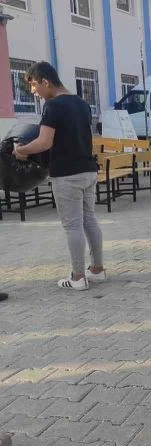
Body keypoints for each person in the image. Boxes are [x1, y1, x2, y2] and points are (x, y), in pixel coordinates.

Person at [13, 62, 106, 291]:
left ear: (45, 81)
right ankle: (97, 270)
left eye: (34, 86)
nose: (34, 92)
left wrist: (21, 150)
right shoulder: (82, 104)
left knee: (73, 225)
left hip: (67, 175)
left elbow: (44, 142)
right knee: (90, 220)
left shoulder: (53, 107)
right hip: (87, 170)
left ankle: (77, 277)